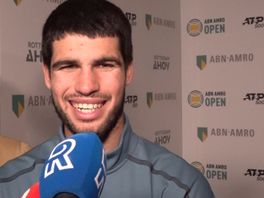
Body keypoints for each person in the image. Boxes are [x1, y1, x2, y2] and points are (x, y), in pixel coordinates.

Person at [0, 0, 214, 197]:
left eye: (104, 65)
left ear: (128, 71)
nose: (86, 86)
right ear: (47, 75)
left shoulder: (182, 188)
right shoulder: (9, 184)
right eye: (68, 66)